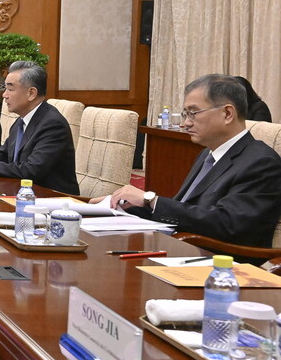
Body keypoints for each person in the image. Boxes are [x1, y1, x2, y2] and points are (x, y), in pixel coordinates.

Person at [107, 74, 281, 248]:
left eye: (193, 113)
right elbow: (186, 208)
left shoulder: (262, 163)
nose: (186, 123)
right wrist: (122, 204)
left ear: (227, 114)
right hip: (181, 249)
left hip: (221, 264)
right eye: (185, 114)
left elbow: (229, 224)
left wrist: (151, 200)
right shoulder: (207, 154)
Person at [0, 61, 79, 195]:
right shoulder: (21, 120)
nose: (4, 95)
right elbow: (3, 154)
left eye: (10, 89)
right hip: (22, 194)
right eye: (4, 88)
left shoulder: (53, 124)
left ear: (31, 93)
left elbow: (31, 170)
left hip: (52, 200)